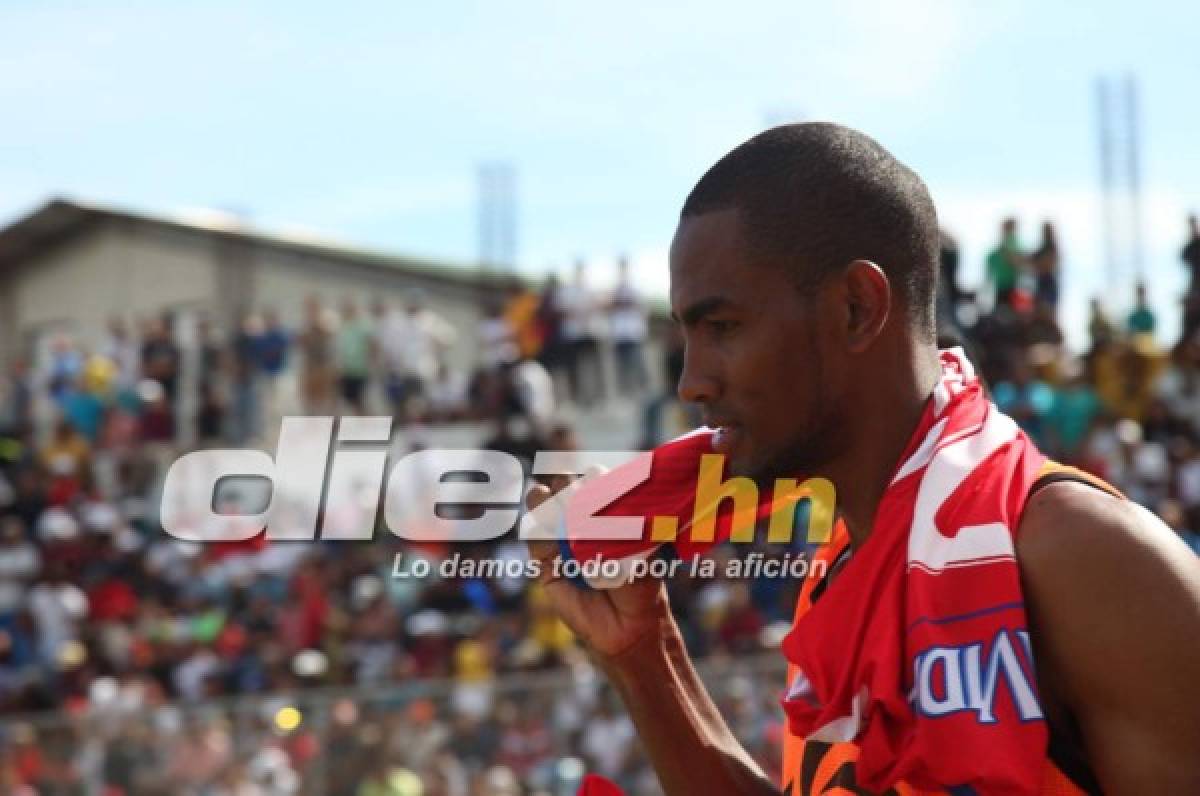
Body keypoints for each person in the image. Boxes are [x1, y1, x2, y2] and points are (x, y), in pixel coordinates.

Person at [526, 123, 1200, 794]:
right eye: (687, 336)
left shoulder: (1090, 557)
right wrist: (646, 657)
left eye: (722, 328)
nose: (691, 381)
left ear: (857, 307)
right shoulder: (840, 574)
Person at [986, 218, 1024, 311]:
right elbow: (991, 259)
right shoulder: (1004, 244)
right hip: (1001, 283)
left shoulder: (1012, 244)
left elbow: (1017, 262)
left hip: (1012, 284)